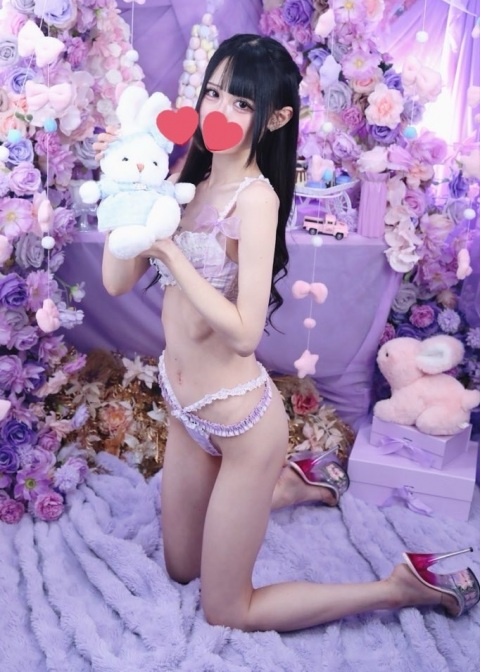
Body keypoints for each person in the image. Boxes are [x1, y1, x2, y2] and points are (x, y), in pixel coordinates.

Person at [97, 33, 479, 631]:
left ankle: (398, 586)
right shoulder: (183, 177)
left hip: (241, 424)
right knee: (180, 569)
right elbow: (116, 281)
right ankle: (294, 487)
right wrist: (123, 193)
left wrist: (170, 254)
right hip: (183, 408)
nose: (220, 111)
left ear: (274, 118)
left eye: (242, 103)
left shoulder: (256, 200)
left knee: (225, 610)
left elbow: (245, 333)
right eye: (214, 93)